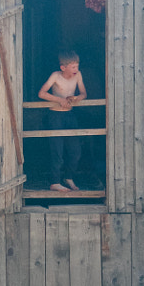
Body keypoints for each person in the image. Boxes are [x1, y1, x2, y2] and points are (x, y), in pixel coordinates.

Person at [38, 50, 87, 192]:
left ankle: (68, 177)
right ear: (63, 67)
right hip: (55, 116)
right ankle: (55, 182)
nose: (76, 70)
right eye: (73, 67)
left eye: (77, 66)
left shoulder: (78, 75)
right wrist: (59, 99)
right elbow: (41, 93)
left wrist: (77, 98)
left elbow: (84, 93)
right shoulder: (55, 76)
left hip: (70, 115)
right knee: (57, 151)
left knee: (75, 150)